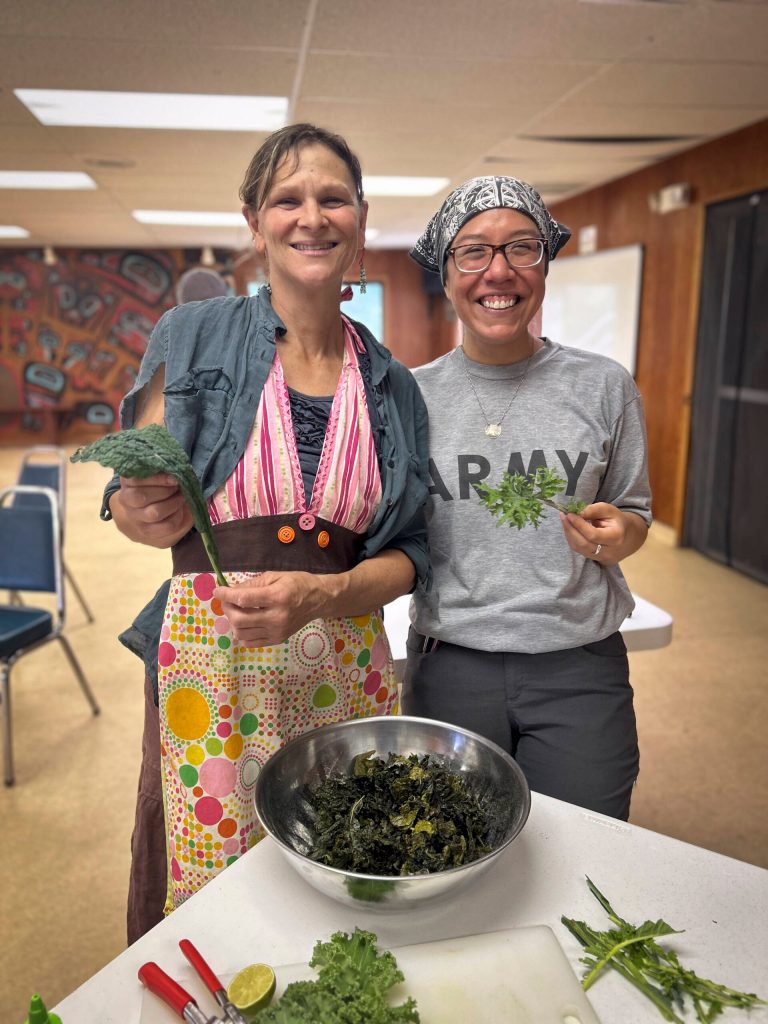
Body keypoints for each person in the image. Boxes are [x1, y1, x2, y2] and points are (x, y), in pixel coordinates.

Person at [101, 123, 431, 941]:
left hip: (343, 662)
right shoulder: (193, 336)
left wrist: (328, 593)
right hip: (212, 661)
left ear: (360, 217)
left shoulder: (394, 385)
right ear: (256, 222)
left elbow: (413, 555)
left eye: (332, 197)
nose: (311, 216)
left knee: (340, 856)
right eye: (287, 198)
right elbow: (141, 490)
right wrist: (135, 509)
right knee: (210, 877)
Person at [404, 175, 652, 821]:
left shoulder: (603, 385)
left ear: (544, 262)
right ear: (445, 267)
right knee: (451, 852)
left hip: (578, 667)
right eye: (474, 251)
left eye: (521, 247)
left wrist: (622, 532)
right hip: (449, 662)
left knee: (585, 851)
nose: (499, 270)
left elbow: (634, 510)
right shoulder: (408, 396)